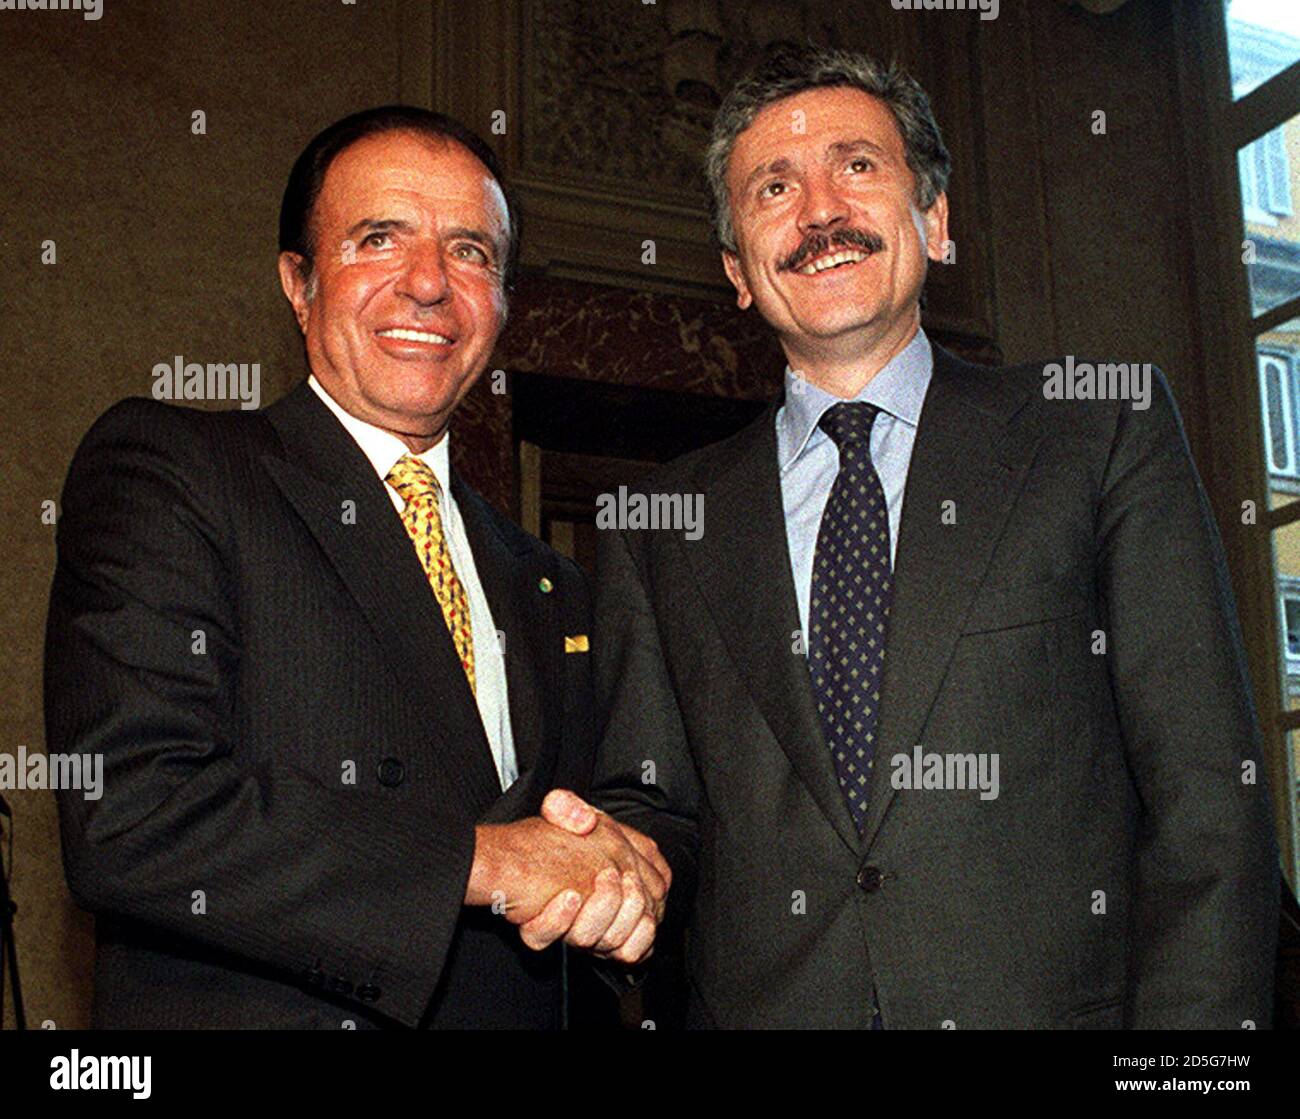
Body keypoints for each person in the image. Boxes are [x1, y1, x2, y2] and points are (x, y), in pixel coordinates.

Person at [574, 46, 1281, 1028]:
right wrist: (609, 862)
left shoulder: (1100, 430)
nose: (819, 211)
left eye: (857, 165)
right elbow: (659, 808)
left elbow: (1208, 799)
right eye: (773, 187)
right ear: (735, 269)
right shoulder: (658, 526)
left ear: (934, 221)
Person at [46, 106, 668, 1030]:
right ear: (297, 282)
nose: (428, 285)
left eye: (470, 252)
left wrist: (630, 870)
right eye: (379, 239)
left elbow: (598, 824)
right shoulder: (173, 468)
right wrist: (490, 862)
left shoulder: (550, 579)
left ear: (502, 302)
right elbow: (132, 812)